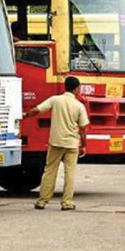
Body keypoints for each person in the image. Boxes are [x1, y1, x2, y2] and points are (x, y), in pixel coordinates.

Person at [23, 76, 89, 211]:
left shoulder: (55, 100)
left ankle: (42, 201)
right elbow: (83, 128)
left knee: (50, 171)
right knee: (70, 173)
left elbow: (37, 110)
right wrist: (83, 144)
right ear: (76, 89)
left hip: (56, 142)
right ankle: (67, 203)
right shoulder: (79, 106)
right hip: (71, 144)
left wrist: (25, 115)